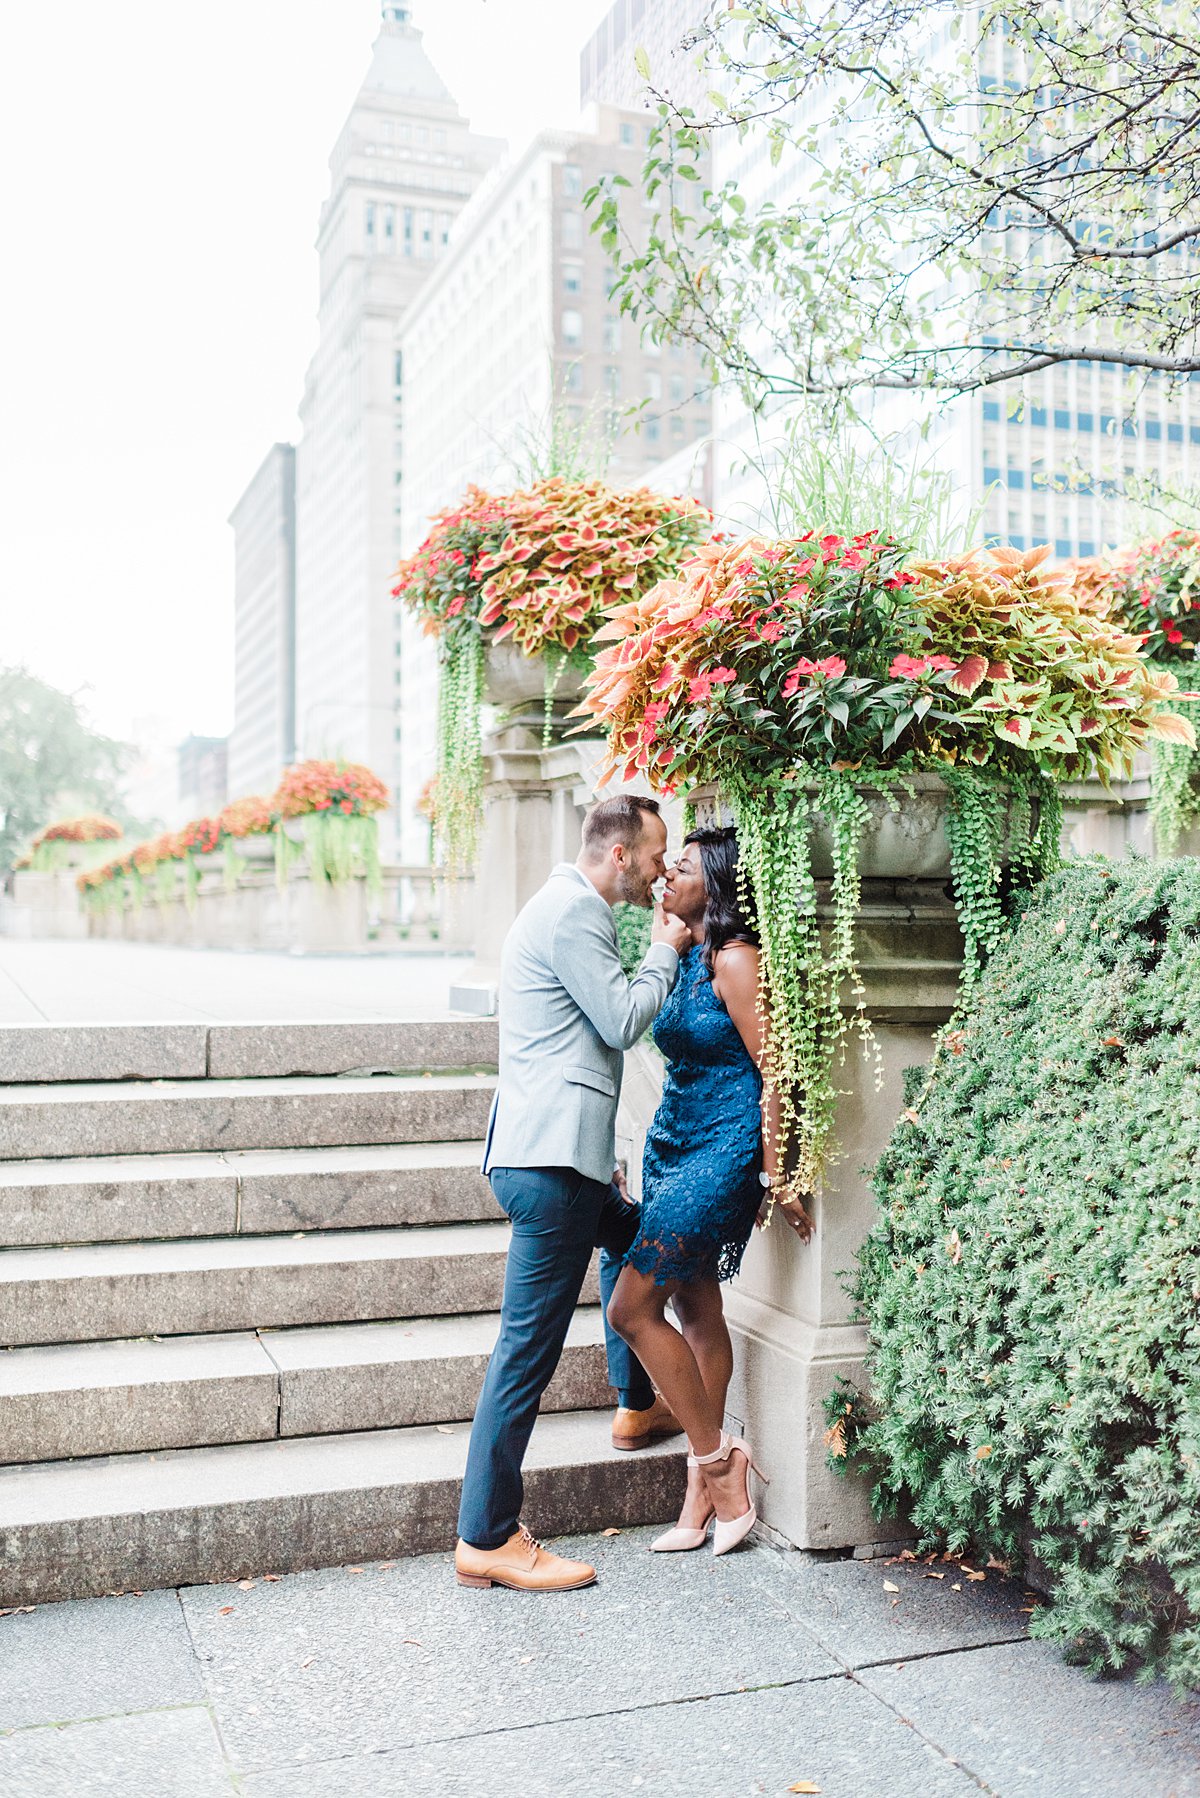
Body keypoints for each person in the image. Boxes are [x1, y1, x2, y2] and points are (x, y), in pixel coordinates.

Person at [454, 793, 692, 1592]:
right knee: (525, 1352)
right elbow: (623, 1019)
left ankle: (637, 1402)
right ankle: (486, 1535)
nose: (662, 869)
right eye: (656, 854)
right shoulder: (574, 913)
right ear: (619, 854)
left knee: (632, 1240)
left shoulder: (563, 906)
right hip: (549, 1169)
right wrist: (665, 948)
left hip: (565, 1160)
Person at [607, 826, 813, 1557]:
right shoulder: (683, 950)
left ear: (718, 883)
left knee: (631, 1305)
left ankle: (717, 1463)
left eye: (683, 867)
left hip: (722, 1151)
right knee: (695, 1305)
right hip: (671, 1141)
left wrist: (777, 1172)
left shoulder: (734, 958)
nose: (665, 875)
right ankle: (700, 1491)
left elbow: (777, 1072)